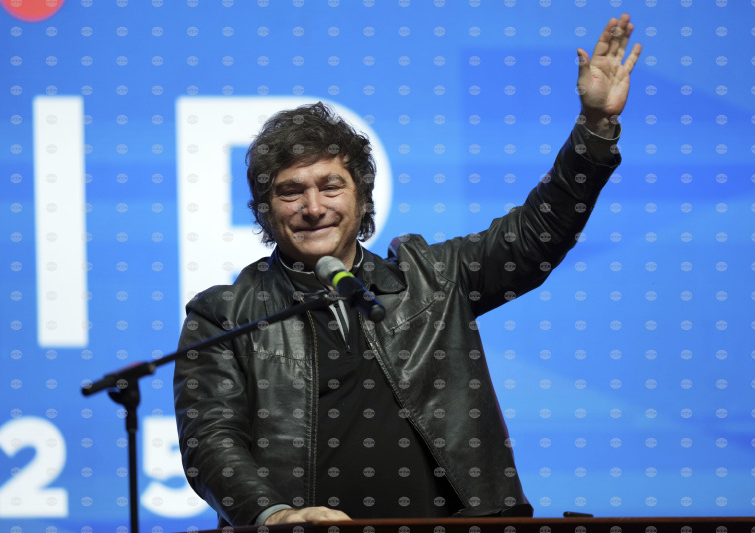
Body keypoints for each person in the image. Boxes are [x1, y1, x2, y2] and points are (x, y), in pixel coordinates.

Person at [174, 14, 641, 528]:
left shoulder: (433, 278)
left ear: (362, 198)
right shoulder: (223, 315)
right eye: (291, 191)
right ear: (265, 210)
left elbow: (536, 235)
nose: (313, 207)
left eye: (331, 186)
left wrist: (594, 129)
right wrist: (275, 514)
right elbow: (210, 440)